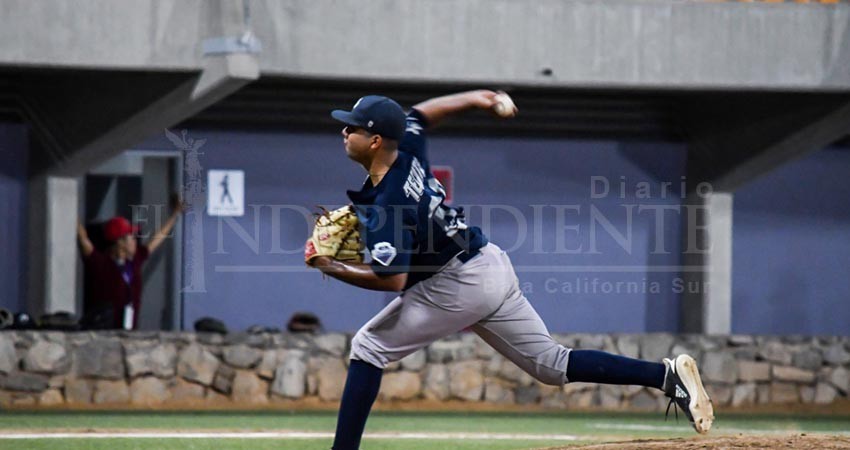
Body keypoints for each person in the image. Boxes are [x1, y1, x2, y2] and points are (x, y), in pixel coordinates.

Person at [307, 91, 714, 450]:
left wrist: (328, 264)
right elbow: (421, 113)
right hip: (489, 263)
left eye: (353, 128)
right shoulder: (406, 150)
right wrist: (481, 98)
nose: (345, 133)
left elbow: (392, 279)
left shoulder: (387, 203)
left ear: (375, 140)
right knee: (551, 364)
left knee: (368, 348)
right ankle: (666, 376)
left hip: (456, 284)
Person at [77, 195, 184, 330]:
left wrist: (175, 215)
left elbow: (157, 238)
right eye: (131, 237)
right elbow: (83, 239)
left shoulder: (135, 260)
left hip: (129, 332)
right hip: (104, 332)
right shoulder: (100, 262)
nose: (135, 241)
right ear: (119, 242)